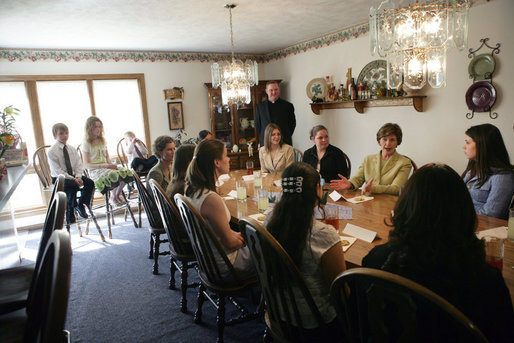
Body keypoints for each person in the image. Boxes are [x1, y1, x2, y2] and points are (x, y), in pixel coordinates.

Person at [362, 163, 514, 342]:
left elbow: (363, 325)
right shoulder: (486, 281)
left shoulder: (375, 261)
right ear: (463, 211)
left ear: (404, 206)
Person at [265, 162, 346, 341]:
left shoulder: (270, 219)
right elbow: (340, 291)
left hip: (277, 311)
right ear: (318, 190)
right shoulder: (323, 234)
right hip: (314, 324)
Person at [184, 139, 255, 279]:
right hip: (226, 265)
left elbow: (221, 232)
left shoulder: (192, 190)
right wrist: (249, 239)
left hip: (208, 260)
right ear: (216, 162)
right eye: (226, 155)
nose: (229, 159)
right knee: (274, 249)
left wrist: (237, 234)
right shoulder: (211, 199)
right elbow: (230, 243)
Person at [330, 123, 411, 195]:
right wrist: (350, 184)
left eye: (392, 140)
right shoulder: (368, 159)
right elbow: (358, 179)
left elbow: (396, 188)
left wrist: (373, 188)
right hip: (368, 202)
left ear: (398, 142)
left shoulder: (404, 163)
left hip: (390, 204)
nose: (388, 143)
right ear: (379, 140)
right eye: (384, 139)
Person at [461, 123, 514, 220]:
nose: (463, 146)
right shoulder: (471, 168)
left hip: (484, 228)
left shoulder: (502, 177)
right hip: (463, 222)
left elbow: (491, 215)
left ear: (483, 145)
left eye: (468, 142)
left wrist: (457, 212)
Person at [48, 123, 94, 223]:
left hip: (74, 176)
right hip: (59, 178)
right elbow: (58, 171)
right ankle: (70, 210)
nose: (65, 135)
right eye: (61, 133)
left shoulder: (72, 149)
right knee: (72, 186)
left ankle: (81, 204)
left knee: (90, 183)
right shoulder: (52, 151)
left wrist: (78, 177)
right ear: (55, 136)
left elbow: (78, 164)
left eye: (66, 133)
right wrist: (74, 179)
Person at [82, 116, 132, 207]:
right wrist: (105, 166)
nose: (98, 129)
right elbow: (86, 164)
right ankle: (113, 197)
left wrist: (111, 165)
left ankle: (116, 195)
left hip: (106, 167)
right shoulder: (86, 143)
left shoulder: (102, 141)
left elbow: (107, 157)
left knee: (126, 172)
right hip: (95, 170)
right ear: (90, 128)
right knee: (114, 175)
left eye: (99, 127)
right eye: (95, 127)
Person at [255, 81, 296, 147]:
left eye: (276, 89)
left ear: (279, 90)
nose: (274, 92)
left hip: (284, 142)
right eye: (271, 90)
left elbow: (292, 124)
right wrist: (267, 136)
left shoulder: (288, 106)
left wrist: (283, 136)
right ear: (266, 91)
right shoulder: (260, 107)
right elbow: (258, 125)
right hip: (266, 143)